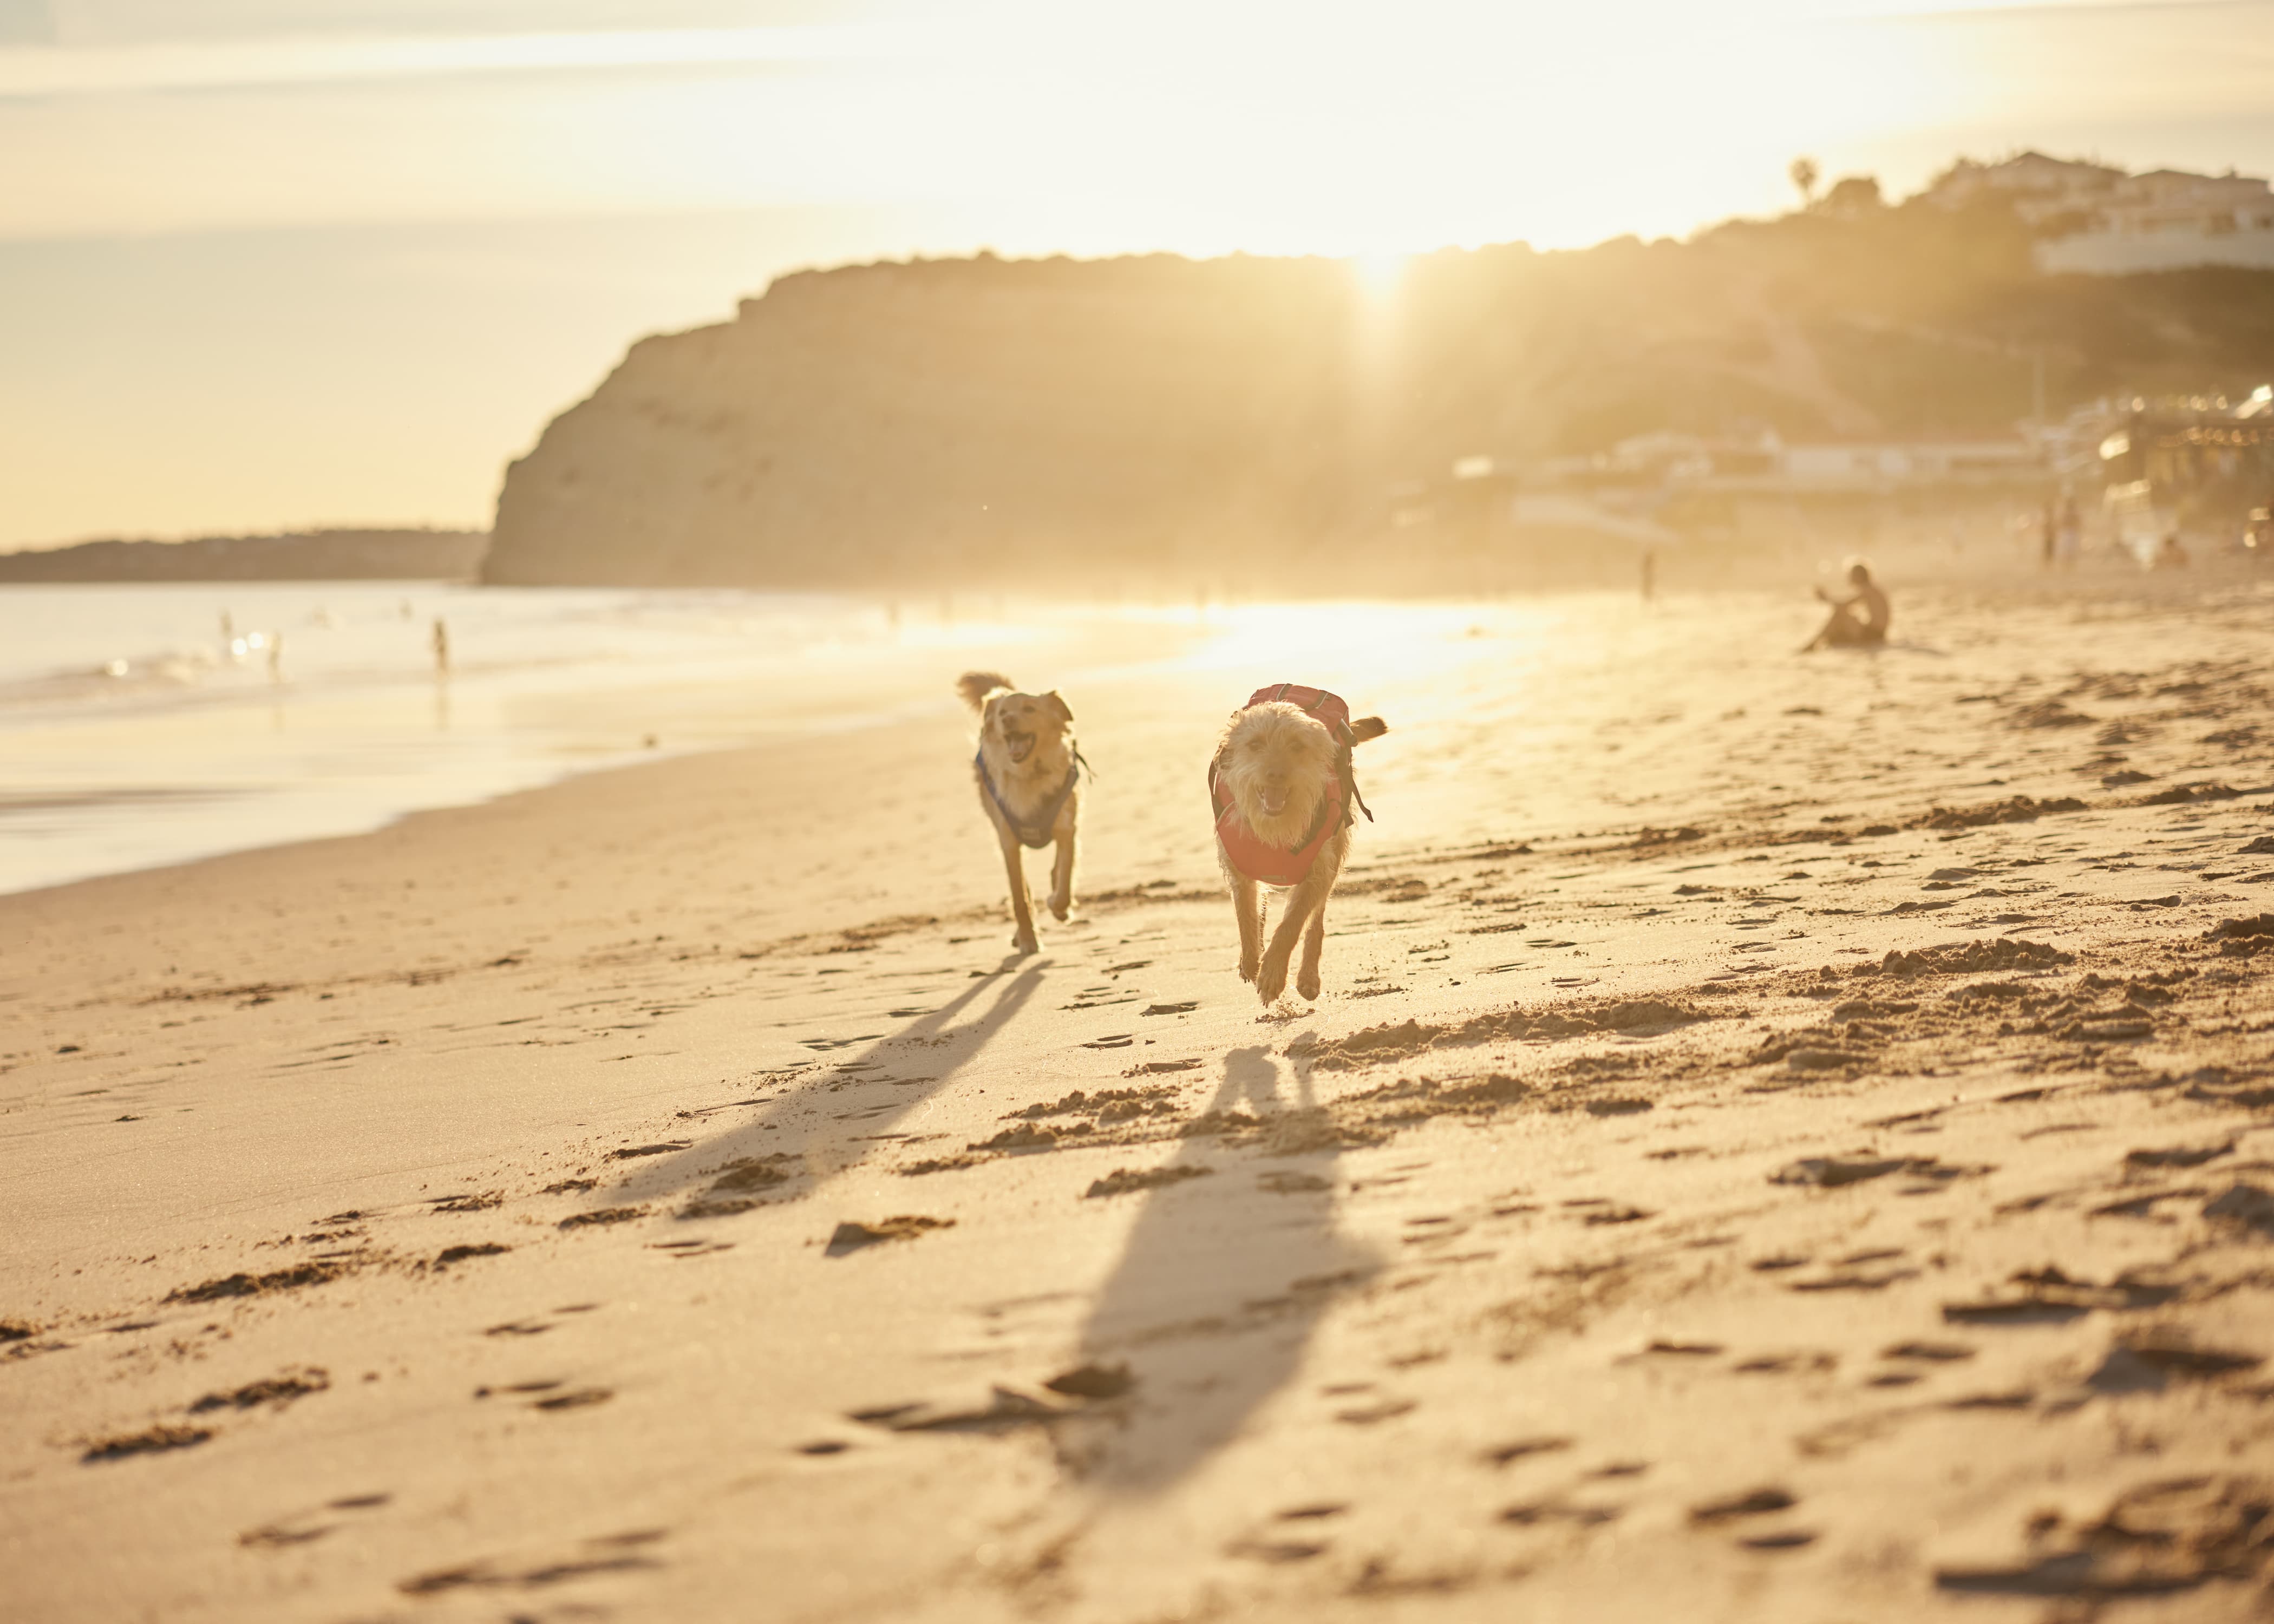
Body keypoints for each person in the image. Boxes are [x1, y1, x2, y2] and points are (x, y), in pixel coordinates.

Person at [1803, 561, 1890, 651]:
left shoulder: (1868, 590)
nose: (1849, 578)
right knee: (1838, 624)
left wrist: (1826, 599)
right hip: (1875, 633)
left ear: (1859, 576)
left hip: (1874, 634)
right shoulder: (1872, 589)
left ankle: (1816, 642)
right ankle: (1819, 641)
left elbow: (1844, 605)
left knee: (1840, 614)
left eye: (1851, 575)